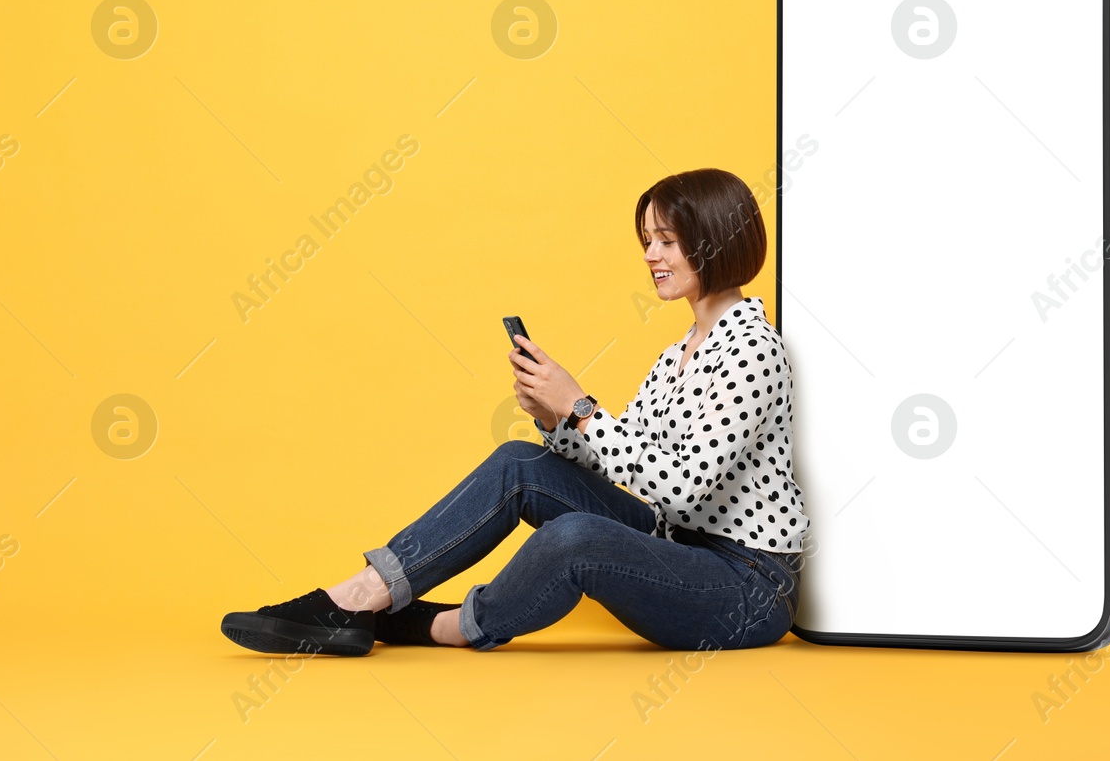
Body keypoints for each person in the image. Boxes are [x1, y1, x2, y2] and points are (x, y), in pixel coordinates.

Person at [220, 167, 809, 654]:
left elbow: (679, 488)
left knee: (578, 536)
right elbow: (632, 463)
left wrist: (578, 406)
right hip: (674, 543)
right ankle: (363, 593)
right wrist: (555, 420)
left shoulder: (753, 349)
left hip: (745, 587)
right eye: (647, 240)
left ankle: (445, 625)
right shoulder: (677, 354)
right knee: (519, 463)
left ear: (713, 240)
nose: (651, 254)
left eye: (666, 240)